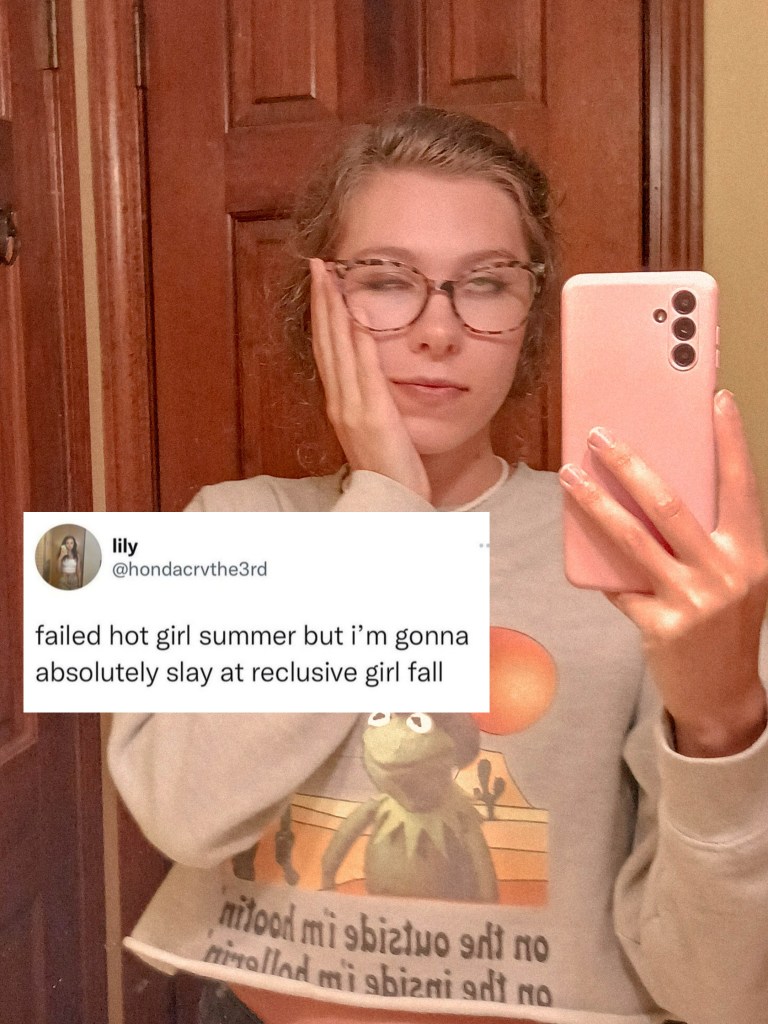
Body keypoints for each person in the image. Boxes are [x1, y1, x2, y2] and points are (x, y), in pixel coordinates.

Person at [109, 107, 768, 1024]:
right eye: (387, 280)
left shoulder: (638, 553)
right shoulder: (225, 525)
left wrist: (726, 723)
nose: (438, 330)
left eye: (486, 284)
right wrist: (388, 503)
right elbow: (181, 814)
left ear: (532, 315)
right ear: (320, 303)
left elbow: (723, 994)